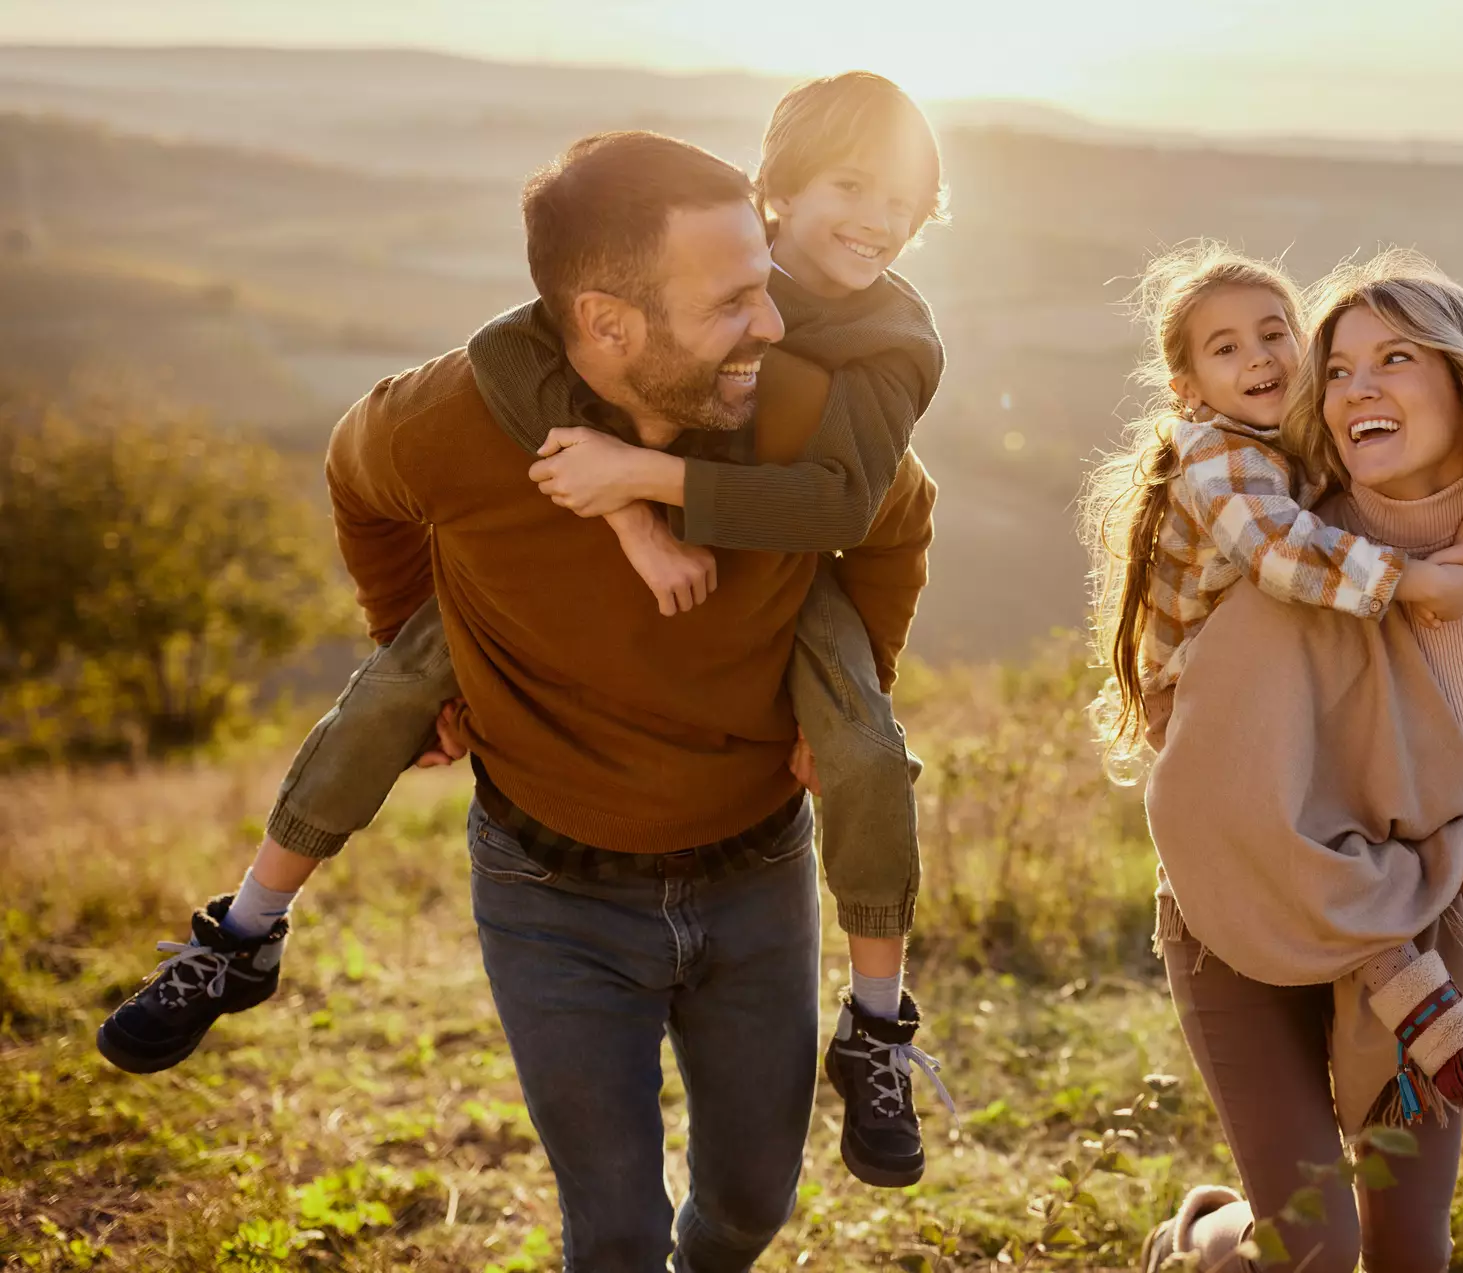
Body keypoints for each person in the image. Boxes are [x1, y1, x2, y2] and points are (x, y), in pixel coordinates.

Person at [101, 129, 933, 1271]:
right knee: (619, 1235)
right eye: (736, 299)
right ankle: (240, 938)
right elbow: (360, 481)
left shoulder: (798, 412)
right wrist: (413, 647)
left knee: (746, 1209)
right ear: (606, 323)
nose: (778, 323)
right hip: (551, 894)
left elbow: (887, 520)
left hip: (756, 874)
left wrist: (844, 699)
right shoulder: (451, 416)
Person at [1096, 249, 1463, 1270]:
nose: (1352, 389)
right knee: (1312, 1248)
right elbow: (1214, 794)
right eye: (1340, 369)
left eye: (1388, 360)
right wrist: (1439, 841)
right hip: (1247, 903)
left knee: (1407, 1242)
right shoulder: (1306, 566)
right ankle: (1202, 1237)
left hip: (1423, 912)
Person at [470, 70, 954, 1188]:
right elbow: (508, 349)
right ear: (772, 189)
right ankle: (250, 918)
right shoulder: (713, 263)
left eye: (907, 198)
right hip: (617, 579)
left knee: (872, 759)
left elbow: (843, 504)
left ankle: (876, 1022)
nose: (880, 218)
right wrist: (632, 519)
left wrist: (642, 470)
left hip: (792, 578)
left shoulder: (895, 335)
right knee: (411, 665)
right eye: (852, 184)